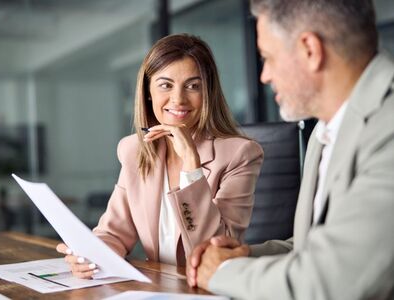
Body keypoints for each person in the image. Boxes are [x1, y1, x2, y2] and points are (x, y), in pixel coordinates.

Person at [186, 0, 394, 299]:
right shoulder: (325, 131)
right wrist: (244, 256)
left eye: (268, 58)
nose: (264, 76)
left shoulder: (387, 129)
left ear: (310, 50)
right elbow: (310, 247)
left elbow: (333, 279)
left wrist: (223, 272)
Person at [56, 34, 263, 278]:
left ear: (208, 93)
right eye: (165, 85)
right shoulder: (134, 151)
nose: (178, 99)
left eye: (193, 86)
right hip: (157, 286)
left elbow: (217, 250)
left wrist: (192, 166)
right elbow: (114, 233)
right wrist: (91, 254)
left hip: (210, 288)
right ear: (148, 92)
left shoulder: (240, 154)